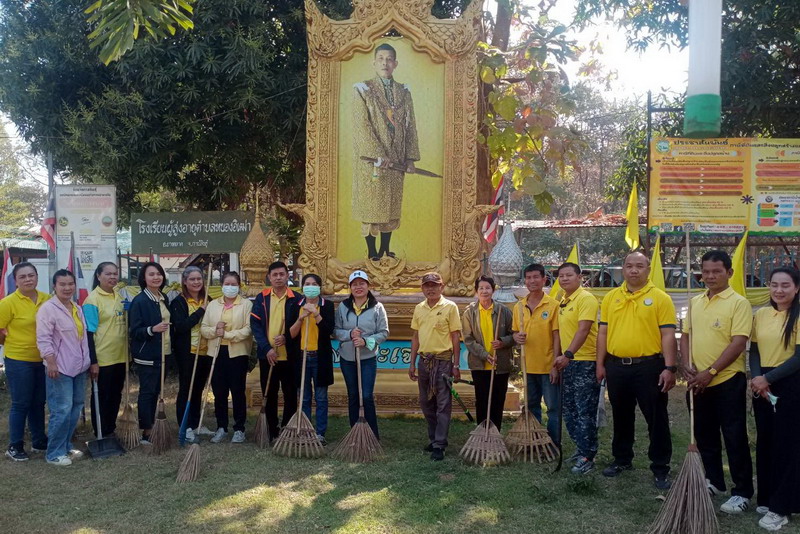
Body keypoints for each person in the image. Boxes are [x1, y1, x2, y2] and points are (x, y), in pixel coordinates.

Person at [680, 249, 753, 514]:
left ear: (729, 272)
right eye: (706, 272)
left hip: (727, 380)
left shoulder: (739, 303)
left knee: (734, 436)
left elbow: (738, 342)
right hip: (697, 381)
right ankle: (714, 480)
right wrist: (686, 364)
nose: (710, 276)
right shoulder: (696, 301)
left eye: (716, 271)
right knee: (704, 434)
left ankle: (742, 491)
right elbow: (685, 335)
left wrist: (710, 371)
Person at [596, 251, 677, 490]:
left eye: (639, 266)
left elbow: (668, 334)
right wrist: (600, 364)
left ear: (648, 270)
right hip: (616, 366)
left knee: (656, 417)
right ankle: (622, 459)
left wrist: (670, 367)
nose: (633, 270)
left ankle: (660, 467)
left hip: (649, 367)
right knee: (621, 415)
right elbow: (603, 332)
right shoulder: (611, 297)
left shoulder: (660, 298)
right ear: (622, 268)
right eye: (629, 266)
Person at [352, 42, 420, 260]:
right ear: (374, 62)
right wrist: (378, 154)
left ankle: (385, 250)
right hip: (372, 160)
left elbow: (410, 125)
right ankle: (372, 252)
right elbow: (362, 125)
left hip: (397, 158)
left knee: (391, 205)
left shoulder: (404, 91)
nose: (385, 63)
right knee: (372, 206)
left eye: (389, 59)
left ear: (395, 64)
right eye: (381, 59)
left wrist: (410, 158)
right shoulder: (363, 89)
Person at [750, 267, 800, 531]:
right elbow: (754, 351)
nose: (779, 290)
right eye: (774, 285)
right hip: (763, 384)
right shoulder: (761, 315)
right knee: (766, 441)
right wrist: (757, 378)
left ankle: (781, 507)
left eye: (785, 285)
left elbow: (798, 358)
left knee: (787, 445)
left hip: (790, 383)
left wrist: (768, 379)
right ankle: (767, 498)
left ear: (797, 288)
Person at [36, 269, 91, 466]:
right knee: (61, 409)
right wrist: (51, 363)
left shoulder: (76, 307)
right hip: (60, 369)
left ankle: (65, 445)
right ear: (54, 286)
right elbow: (43, 339)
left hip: (79, 367)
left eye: (70, 284)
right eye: (62, 284)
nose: (67, 288)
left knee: (76, 407)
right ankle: (54, 453)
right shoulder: (48, 309)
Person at [552, 262, 600, 474]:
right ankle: (581, 448)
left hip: (584, 362)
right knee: (569, 410)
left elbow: (583, 330)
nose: (564, 279)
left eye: (569, 275)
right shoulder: (563, 301)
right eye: (561, 276)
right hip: (567, 363)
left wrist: (568, 355)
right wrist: (560, 359)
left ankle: (588, 456)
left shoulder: (586, 299)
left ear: (580, 277)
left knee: (584, 411)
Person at [409, 272, 461, 461]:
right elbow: (416, 337)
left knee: (443, 404)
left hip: (443, 361)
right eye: (427, 286)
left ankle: (440, 444)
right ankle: (433, 438)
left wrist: (456, 364)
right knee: (426, 403)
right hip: (424, 361)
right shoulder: (419, 308)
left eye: (434, 285)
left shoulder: (450, 307)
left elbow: (455, 336)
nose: (430, 289)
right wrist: (412, 363)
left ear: (442, 287)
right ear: (422, 288)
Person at [0, 262, 50, 461]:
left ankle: (38, 440)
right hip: (18, 360)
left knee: (38, 402)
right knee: (21, 403)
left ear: (37, 277)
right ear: (15, 281)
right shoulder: (8, 303)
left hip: (43, 359)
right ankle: (15, 445)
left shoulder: (47, 299)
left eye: (31, 275)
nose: (28, 279)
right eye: (23, 277)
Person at [334, 270, 389, 440]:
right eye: (354, 284)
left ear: (368, 286)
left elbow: (384, 332)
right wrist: (349, 334)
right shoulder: (343, 307)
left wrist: (366, 341)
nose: (358, 287)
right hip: (347, 358)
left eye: (362, 283)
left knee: (366, 396)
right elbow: (336, 331)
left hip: (367, 359)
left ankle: (372, 435)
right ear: (350, 287)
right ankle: (355, 433)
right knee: (353, 395)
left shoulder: (377, 307)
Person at [512, 263, 561, 445]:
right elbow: (514, 332)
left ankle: (553, 443)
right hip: (528, 366)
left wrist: (555, 365)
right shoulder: (519, 306)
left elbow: (556, 336)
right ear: (525, 281)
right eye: (528, 277)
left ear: (544, 279)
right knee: (531, 407)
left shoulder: (553, 305)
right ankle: (535, 441)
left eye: (535, 277)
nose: (532, 281)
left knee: (553, 408)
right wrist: (516, 337)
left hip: (548, 366)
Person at [201, 272, 252, 443]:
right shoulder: (213, 305)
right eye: (227, 284)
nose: (230, 287)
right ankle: (221, 427)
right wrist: (215, 331)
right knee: (219, 392)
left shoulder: (246, 305)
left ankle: (239, 428)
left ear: (239, 286)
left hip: (237, 353)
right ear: (222, 285)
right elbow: (204, 328)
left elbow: (248, 330)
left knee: (237, 391)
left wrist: (227, 335)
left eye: (233, 284)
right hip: (216, 353)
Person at [251, 261, 300, 442]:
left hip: (289, 356)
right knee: (269, 394)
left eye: (282, 274)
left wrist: (287, 338)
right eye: (275, 275)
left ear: (287, 276)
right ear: (269, 277)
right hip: (268, 356)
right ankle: (271, 430)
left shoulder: (296, 298)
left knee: (290, 394)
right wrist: (266, 349)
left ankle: (287, 429)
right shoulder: (262, 298)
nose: (278, 278)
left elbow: (300, 326)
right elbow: (255, 325)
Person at [461, 275, 514, 430]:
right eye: (481, 288)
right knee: (482, 400)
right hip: (480, 363)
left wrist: (503, 341)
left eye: (488, 288)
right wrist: (485, 355)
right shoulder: (470, 312)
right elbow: (468, 339)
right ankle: (482, 432)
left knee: (498, 400)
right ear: (476, 291)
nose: (484, 291)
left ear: (493, 290)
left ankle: (495, 432)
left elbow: (514, 335)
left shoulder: (503, 311)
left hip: (500, 364)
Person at [288, 273, 335, 445]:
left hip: (319, 357)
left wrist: (316, 314)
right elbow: (291, 334)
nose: (311, 287)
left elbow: (329, 330)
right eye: (307, 284)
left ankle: (320, 433)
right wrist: (300, 319)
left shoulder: (327, 305)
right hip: (301, 357)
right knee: (304, 397)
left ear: (319, 287)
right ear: (302, 287)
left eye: (314, 284)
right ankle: (306, 431)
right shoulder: (295, 305)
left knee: (321, 397)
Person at [128, 261, 171, 444]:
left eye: (159, 274)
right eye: (151, 274)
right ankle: (146, 431)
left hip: (164, 352)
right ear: (143, 278)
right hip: (147, 355)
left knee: (156, 391)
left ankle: (153, 424)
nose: (156, 277)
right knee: (147, 392)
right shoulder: (140, 301)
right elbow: (134, 331)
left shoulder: (163, 297)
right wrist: (152, 329)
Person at [83, 262, 127, 438]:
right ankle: (100, 432)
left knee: (115, 395)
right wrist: (93, 361)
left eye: (115, 274)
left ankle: (110, 428)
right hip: (103, 357)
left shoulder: (119, 296)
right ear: (98, 276)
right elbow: (88, 334)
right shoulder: (92, 300)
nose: (112, 277)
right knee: (101, 396)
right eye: (108, 274)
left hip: (121, 356)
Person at [169, 266, 209, 442]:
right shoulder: (178, 302)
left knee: (198, 389)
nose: (196, 282)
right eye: (192, 279)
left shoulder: (207, 299)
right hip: (187, 352)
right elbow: (181, 326)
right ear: (185, 281)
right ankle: (185, 426)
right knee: (186, 389)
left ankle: (195, 423)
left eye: (199, 278)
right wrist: (201, 312)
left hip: (205, 351)